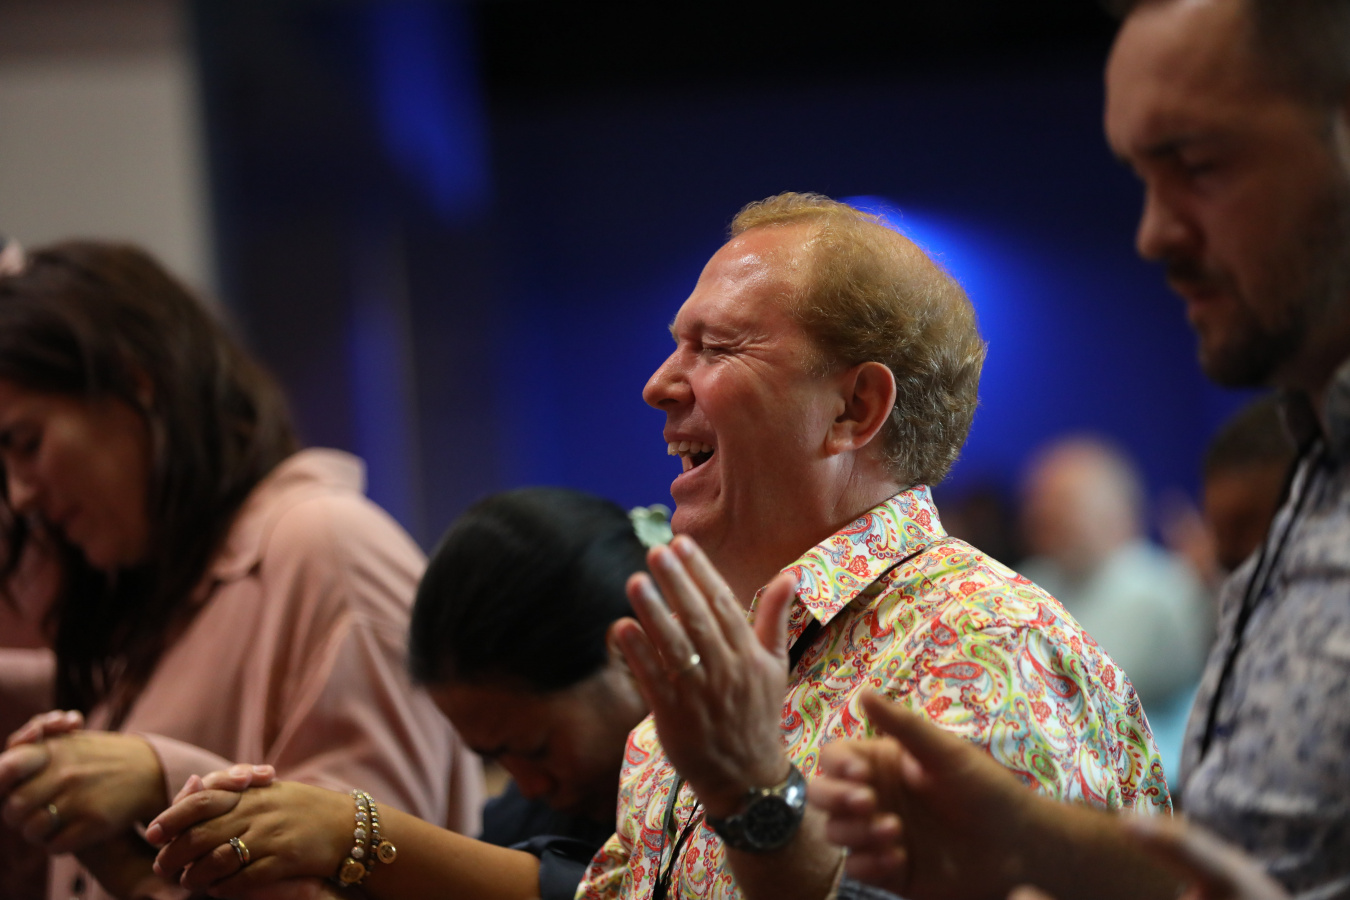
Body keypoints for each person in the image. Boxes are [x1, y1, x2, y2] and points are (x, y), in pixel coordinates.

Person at [809, 0, 1350, 896]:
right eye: (1143, 177)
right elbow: (1250, 871)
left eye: (1199, 166)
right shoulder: (1316, 476)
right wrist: (1029, 840)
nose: (1153, 233)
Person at [0, 241, 483, 900]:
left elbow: (382, 872)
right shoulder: (166, 601)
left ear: (135, 382)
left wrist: (156, 775)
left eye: (27, 443)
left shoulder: (326, 546)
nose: (22, 494)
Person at [145, 487, 657, 900]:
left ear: (629, 653)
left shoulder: (701, 797)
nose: (528, 784)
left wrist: (356, 829)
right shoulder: (517, 820)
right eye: (493, 758)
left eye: (537, 749)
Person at [1019, 435, 1210, 715]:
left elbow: (1108, 691)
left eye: (1063, 503)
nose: (1046, 516)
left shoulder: (1162, 586)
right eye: (1039, 504)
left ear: (1115, 510)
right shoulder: (1028, 583)